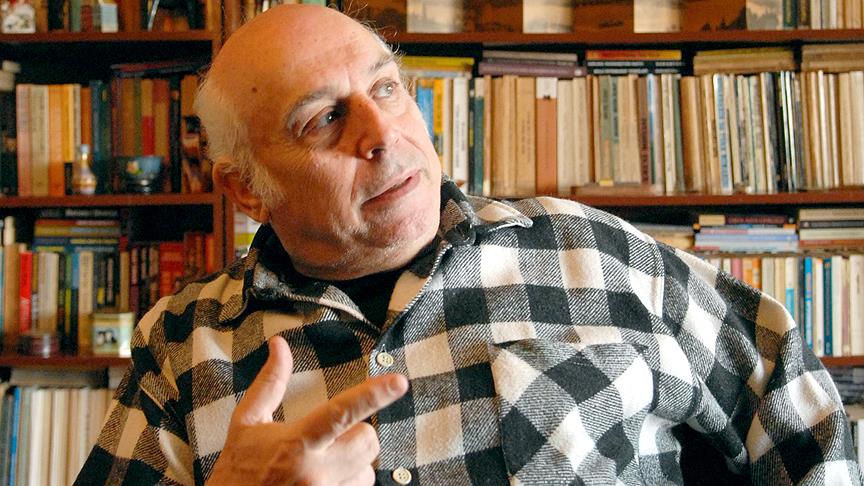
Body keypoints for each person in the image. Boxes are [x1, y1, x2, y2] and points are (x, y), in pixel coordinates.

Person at [76, 4, 861, 485]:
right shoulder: (183, 346)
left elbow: (789, 394)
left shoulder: (592, 253)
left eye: (386, 88)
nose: (383, 133)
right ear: (247, 190)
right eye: (324, 118)